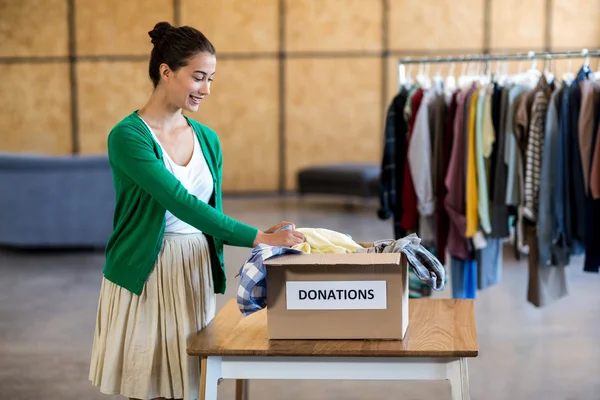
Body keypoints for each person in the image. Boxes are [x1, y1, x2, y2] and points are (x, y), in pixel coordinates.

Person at [88, 21, 305, 400]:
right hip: (148, 271)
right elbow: (180, 203)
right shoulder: (128, 136)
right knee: (151, 385)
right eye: (198, 77)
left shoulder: (207, 138)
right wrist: (257, 236)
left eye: (211, 79)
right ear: (166, 72)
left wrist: (263, 234)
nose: (206, 89)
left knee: (192, 384)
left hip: (193, 270)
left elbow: (210, 211)